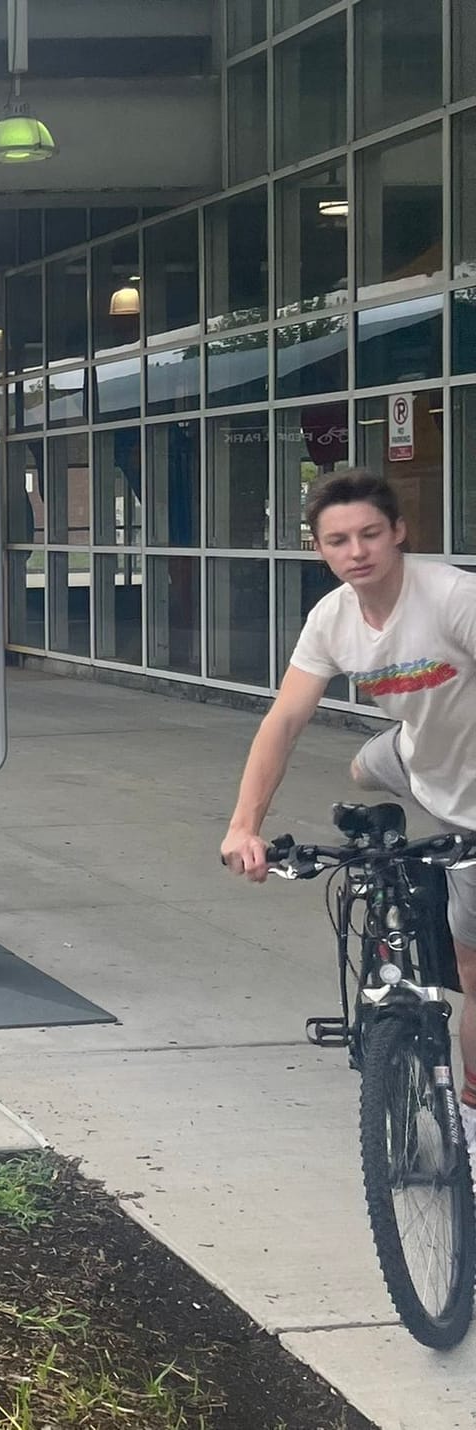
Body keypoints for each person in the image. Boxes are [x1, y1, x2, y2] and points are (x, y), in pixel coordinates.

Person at [221, 469, 476, 1145]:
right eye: (339, 540)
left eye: (369, 534)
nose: (356, 550)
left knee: (474, 968)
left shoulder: (452, 598)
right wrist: (244, 825)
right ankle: (392, 776)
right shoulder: (332, 619)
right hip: (421, 754)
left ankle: (472, 1120)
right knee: (364, 767)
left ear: (398, 533)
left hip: (470, 798)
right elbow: (283, 722)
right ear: (321, 550)